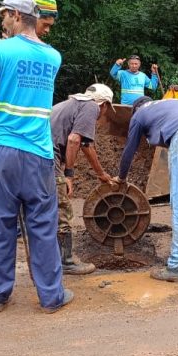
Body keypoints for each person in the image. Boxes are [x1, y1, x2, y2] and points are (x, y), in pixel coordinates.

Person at [0, 0, 72, 314]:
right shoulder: (53, 57)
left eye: (3, 16)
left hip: (5, 150)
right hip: (40, 153)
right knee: (42, 223)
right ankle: (52, 296)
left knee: (1, 221)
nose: (2, 21)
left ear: (15, 15)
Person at [117, 97, 178, 283]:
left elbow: (129, 150)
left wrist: (121, 177)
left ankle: (177, 266)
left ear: (135, 109)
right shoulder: (166, 105)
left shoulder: (139, 114)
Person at [51, 83, 115, 275]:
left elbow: (86, 146)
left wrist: (101, 174)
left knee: (46, 205)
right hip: (47, 156)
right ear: (102, 104)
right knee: (62, 205)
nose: (102, 114)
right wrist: (68, 175)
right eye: (105, 109)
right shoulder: (91, 107)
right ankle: (66, 261)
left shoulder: (69, 104)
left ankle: (50, 256)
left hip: (32, 154)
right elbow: (73, 140)